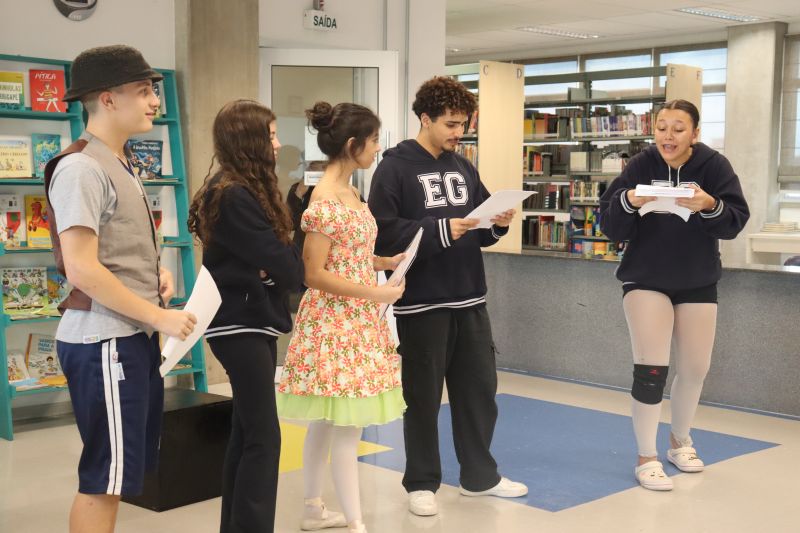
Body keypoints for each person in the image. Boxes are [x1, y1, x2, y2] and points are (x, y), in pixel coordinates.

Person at [43, 45, 197, 533]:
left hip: (126, 337)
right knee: (104, 478)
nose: (155, 101)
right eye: (144, 91)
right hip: (104, 340)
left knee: (119, 474)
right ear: (107, 99)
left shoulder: (119, 160)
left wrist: (155, 279)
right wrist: (157, 316)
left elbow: (114, 251)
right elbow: (81, 268)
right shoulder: (81, 168)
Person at [368, 76, 527, 517]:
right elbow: (380, 232)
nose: (460, 132)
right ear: (425, 119)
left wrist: (497, 222)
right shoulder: (393, 168)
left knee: (479, 393)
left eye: (464, 124)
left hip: (470, 298)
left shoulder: (462, 166)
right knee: (421, 398)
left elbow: (479, 228)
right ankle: (421, 482)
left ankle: (480, 477)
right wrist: (441, 229)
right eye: (451, 124)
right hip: (421, 302)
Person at [599, 99, 750, 491]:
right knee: (651, 369)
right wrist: (629, 201)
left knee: (696, 368)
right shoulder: (640, 164)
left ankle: (680, 441)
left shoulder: (715, 166)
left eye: (678, 129)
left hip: (697, 279)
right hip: (645, 279)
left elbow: (734, 222)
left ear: (694, 133)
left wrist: (710, 205)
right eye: (661, 127)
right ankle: (646, 456)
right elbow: (609, 224)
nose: (668, 136)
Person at [277, 101, 407, 533]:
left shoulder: (351, 193)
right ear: (353, 145)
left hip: (356, 322)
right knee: (347, 428)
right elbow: (314, 274)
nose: (377, 148)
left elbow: (349, 257)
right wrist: (376, 291)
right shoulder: (325, 200)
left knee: (328, 423)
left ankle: (315, 510)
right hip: (335, 325)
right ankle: (356, 522)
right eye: (373, 140)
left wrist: (384, 261)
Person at [188, 99, 304, 532]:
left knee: (246, 431)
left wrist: (272, 264)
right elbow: (290, 268)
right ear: (249, 140)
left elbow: (278, 263)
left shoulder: (238, 189)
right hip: (240, 326)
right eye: (270, 135)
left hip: (249, 323)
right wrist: (275, 263)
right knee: (264, 438)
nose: (277, 144)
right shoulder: (235, 194)